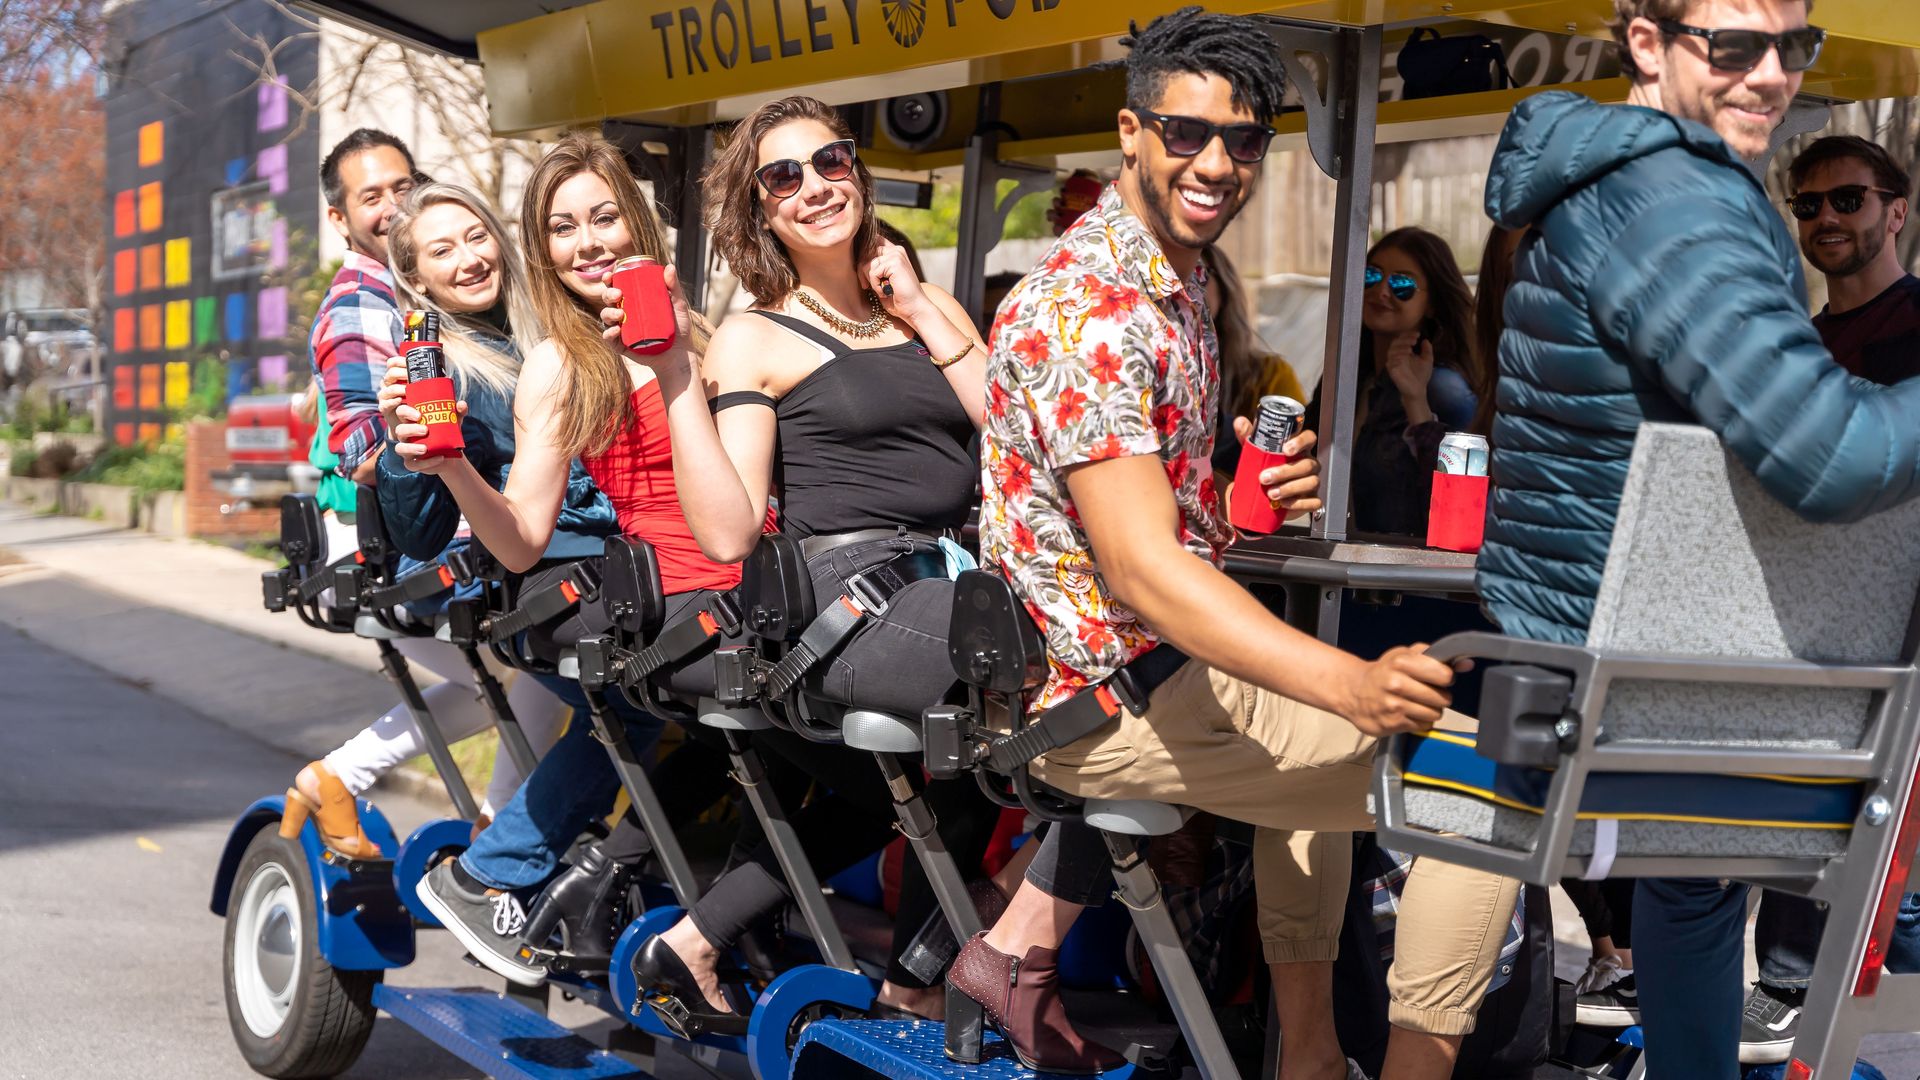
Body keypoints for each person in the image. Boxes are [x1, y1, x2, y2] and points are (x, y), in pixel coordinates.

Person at [970, 10, 1519, 1077]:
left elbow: (1124, 519)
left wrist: (1228, 492)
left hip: (1138, 677)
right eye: (1186, 133)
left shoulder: (1173, 288)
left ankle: (1307, 1055)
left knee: (1337, 755)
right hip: (1116, 696)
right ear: (1131, 131)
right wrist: (1352, 683)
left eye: (1246, 138)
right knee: (1483, 774)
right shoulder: (1096, 306)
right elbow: (1139, 569)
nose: (1217, 161)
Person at [1478, 1, 1920, 1074]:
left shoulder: (1606, 183)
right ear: (1646, 43)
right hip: (1665, 696)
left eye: (1792, 47)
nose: (1769, 76)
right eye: (1732, 48)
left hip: (1599, 668)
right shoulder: (1677, 204)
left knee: (1694, 886)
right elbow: (1829, 457)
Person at [604, 93, 1002, 1025]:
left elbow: (1014, 437)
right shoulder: (756, 334)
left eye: (830, 162)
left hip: (955, 573)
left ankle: (860, 977)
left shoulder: (924, 307)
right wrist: (671, 384)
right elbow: (733, 533)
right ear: (760, 210)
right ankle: (954, 979)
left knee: (961, 786)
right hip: (850, 590)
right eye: (785, 177)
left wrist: (920, 310)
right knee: (1011, 699)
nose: (816, 187)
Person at [391, 134, 736, 985]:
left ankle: (594, 884)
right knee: (650, 717)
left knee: (682, 737)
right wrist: (440, 464)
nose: (589, 242)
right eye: (563, 227)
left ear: (639, 221)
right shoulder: (549, 362)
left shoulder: (697, 330)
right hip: (603, 592)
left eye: (605, 217)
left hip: (715, 583)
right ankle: (512, 873)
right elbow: (517, 533)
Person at [277, 183, 591, 857]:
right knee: (546, 675)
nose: (470, 259)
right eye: (443, 250)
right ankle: (498, 842)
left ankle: (477, 826)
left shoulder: (544, 325)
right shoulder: (442, 362)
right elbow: (415, 523)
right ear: (415, 278)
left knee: (526, 682)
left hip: (553, 560)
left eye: (477, 237)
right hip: (481, 567)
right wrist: (401, 440)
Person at [1737, 132, 1920, 1063]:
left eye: (1846, 200)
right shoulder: (1801, 347)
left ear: (1897, 208)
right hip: (1807, 645)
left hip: (1899, 655)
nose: (1824, 220)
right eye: (1806, 206)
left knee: (1869, 916)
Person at [1305, 227, 1488, 538]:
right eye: (1371, 277)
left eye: (1403, 284)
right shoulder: (1345, 379)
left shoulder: (1443, 386)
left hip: (1409, 581)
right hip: (1342, 572)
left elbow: (1465, 506)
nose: (1382, 292)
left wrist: (1416, 403)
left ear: (1432, 304)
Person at [1203, 242, 1305, 478]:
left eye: (1201, 273)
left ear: (1225, 288)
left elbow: (1293, 470)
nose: (1184, 285)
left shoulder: (1270, 375)